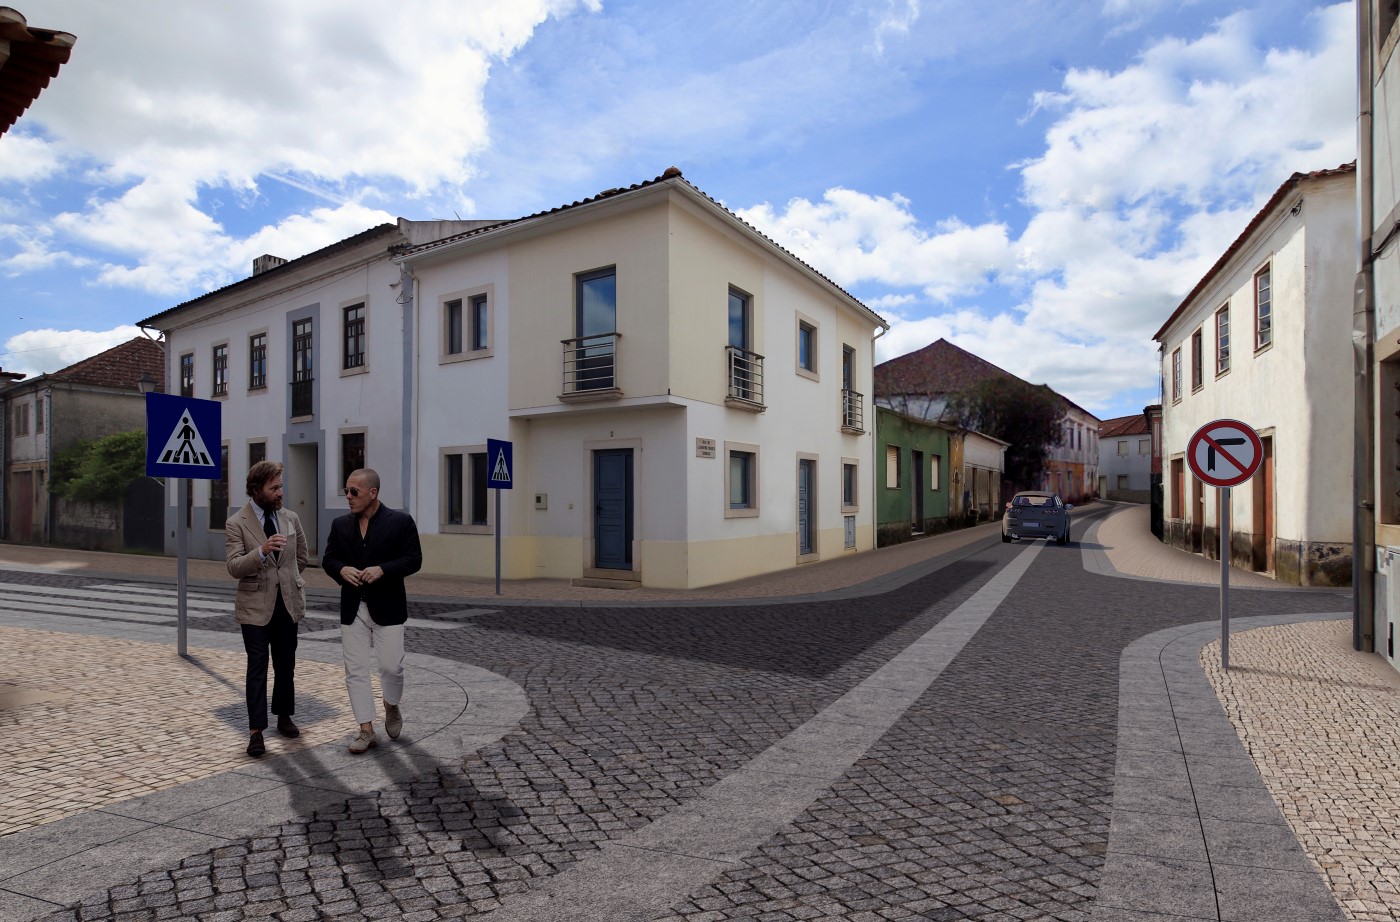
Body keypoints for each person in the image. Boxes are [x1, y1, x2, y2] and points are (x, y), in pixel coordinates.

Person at [322, 468, 422, 754]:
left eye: (354, 491)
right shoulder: (340, 525)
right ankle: (366, 730)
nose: (348, 496)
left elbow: (414, 559)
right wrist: (341, 569)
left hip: (388, 607)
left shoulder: (400, 522)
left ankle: (391, 704)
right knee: (355, 670)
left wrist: (383, 570)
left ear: (373, 492)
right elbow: (328, 559)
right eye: (346, 491)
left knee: (392, 668)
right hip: (352, 607)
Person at [225, 460, 309, 757]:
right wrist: (260, 552)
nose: (280, 492)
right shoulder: (237, 522)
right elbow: (234, 566)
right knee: (257, 667)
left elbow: (301, 558)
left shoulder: (291, 518)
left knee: (286, 664)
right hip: (254, 608)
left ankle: (284, 716)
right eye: (274, 488)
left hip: (287, 603)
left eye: (280, 486)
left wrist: (286, 580)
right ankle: (256, 731)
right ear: (256, 489)